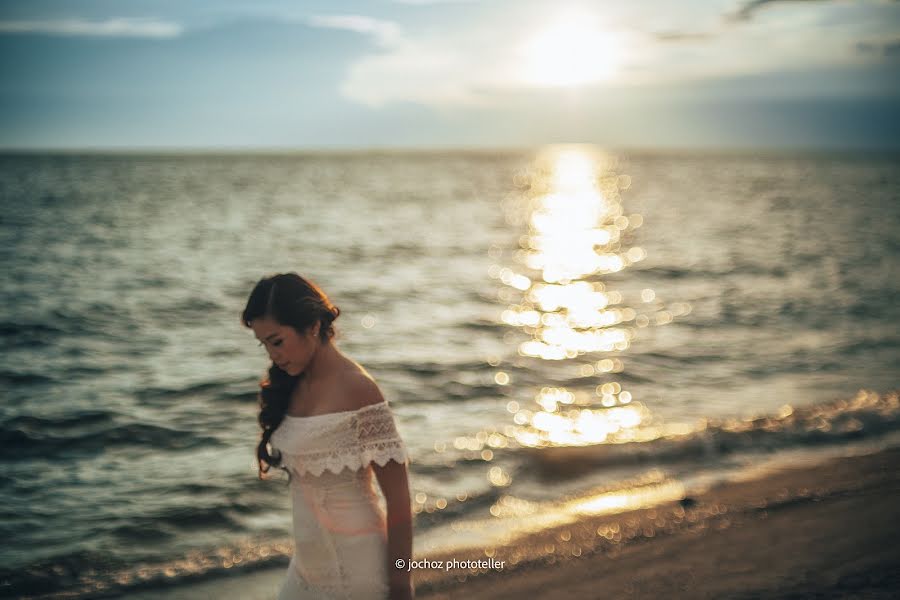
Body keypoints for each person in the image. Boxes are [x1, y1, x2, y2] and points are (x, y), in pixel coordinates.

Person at [241, 273, 414, 599]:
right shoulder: (290, 384)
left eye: (277, 341)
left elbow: (399, 499)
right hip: (305, 572)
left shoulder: (358, 389)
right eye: (264, 344)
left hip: (358, 572)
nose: (272, 355)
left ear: (313, 326)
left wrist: (402, 585)